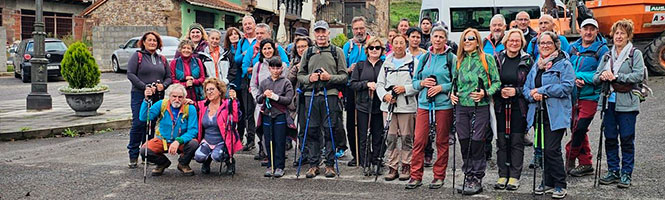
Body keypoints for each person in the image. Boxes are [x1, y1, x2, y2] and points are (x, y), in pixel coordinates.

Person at [450, 28, 501, 195]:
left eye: (471, 38)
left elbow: (496, 83)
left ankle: (477, 177)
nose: (467, 41)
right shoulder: (459, 60)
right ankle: (468, 174)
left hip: (480, 106)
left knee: (478, 141)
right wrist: (452, 94)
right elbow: (454, 82)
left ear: (477, 40)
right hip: (461, 106)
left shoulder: (487, 59)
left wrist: (485, 92)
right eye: (464, 39)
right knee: (464, 140)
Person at [524, 31, 574, 199]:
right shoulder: (536, 65)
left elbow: (567, 87)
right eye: (541, 43)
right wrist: (532, 95)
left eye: (548, 43)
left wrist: (543, 91)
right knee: (544, 149)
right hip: (539, 113)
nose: (544, 46)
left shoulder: (564, 63)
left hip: (556, 113)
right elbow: (526, 87)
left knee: (552, 149)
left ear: (555, 45)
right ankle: (548, 182)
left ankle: (560, 183)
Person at [594, 19, 644, 189]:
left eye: (623, 33)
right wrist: (602, 76)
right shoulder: (607, 55)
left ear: (628, 35)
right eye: (616, 33)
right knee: (610, 138)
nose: (619, 36)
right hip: (609, 102)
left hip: (628, 103)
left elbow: (638, 76)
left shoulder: (634, 54)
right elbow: (595, 76)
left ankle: (626, 173)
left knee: (627, 138)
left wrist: (616, 77)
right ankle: (613, 170)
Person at [406, 25, 457, 190]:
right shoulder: (424, 57)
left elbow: (456, 82)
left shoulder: (451, 58)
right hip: (424, 104)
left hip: (443, 105)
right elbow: (414, 81)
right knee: (419, 140)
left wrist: (441, 88)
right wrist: (422, 83)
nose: (438, 40)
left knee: (442, 141)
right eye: (436, 36)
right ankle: (415, 176)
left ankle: (439, 176)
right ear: (431, 38)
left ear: (445, 39)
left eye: (441, 37)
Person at [296, 20, 348, 178]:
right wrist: (309, 78)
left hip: (330, 95)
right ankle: (313, 165)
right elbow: (300, 75)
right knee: (311, 130)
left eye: (323, 32)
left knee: (329, 129)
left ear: (328, 33)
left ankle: (330, 165)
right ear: (314, 34)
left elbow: (344, 76)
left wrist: (329, 77)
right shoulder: (309, 52)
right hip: (310, 95)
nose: (320, 35)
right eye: (317, 32)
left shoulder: (336, 51)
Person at [565, 18, 609, 177]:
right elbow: (566, 67)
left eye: (592, 29)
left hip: (591, 95)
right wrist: (573, 79)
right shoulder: (572, 48)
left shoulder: (602, 50)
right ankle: (586, 163)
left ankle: (569, 156)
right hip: (573, 95)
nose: (588, 32)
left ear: (597, 31)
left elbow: (601, 72)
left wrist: (581, 77)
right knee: (575, 127)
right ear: (581, 30)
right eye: (586, 29)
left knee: (580, 127)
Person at [492, 29, 534, 190]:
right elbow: (492, 80)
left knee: (516, 141)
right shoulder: (498, 58)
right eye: (511, 40)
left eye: (518, 41)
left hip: (519, 106)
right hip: (500, 105)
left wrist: (516, 91)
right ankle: (502, 175)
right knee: (502, 141)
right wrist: (499, 90)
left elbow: (531, 84)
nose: (514, 43)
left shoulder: (527, 60)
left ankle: (514, 176)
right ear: (506, 42)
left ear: (522, 43)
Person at [375, 34, 419, 181]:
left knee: (407, 137)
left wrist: (405, 89)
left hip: (406, 106)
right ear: (391, 45)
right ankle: (393, 167)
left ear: (405, 45)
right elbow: (379, 84)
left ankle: (406, 165)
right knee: (391, 138)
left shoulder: (414, 62)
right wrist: (385, 96)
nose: (399, 45)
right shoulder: (386, 63)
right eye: (396, 43)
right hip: (388, 107)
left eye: (401, 43)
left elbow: (418, 84)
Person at [126, 31, 172, 168]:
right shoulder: (137, 56)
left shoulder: (162, 59)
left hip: (157, 96)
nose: (152, 43)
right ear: (144, 42)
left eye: (155, 41)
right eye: (149, 40)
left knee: (151, 125)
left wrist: (162, 86)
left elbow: (169, 77)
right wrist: (144, 87)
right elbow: (131, 74)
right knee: (139, 124)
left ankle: (148, 154)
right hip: (140, 95)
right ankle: (133, 154)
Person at [139, 84, 199, 176]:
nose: (177, 99)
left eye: (180, 97)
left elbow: (193, 130)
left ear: (184, 98)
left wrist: (178, 141)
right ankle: (162, 163)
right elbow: (144, 117)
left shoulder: (190, 108)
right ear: (169, 96)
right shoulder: (161, 104)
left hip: (181, 141)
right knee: (144, 150)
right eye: (174, 96)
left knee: (193, 144)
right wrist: (146, 100)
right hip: (162, 140)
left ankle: (183, 164)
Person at [249, 38, 289, 166]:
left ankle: (279, 161)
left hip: (279, 108)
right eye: (264, 48)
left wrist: (276, 97)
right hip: (262, 106)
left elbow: (286, 87)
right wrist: (259, 98)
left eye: (269, 48)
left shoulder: (283, 66)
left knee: (278, 135)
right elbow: (254, 85)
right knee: (265, 133)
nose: (267, 51)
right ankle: (268, 157)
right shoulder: (258, 66)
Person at [349, 36, 385, 173]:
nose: (374, 50)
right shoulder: (360, 66)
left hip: (380, 105)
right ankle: (365, 162)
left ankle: (377, 160)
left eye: (377, 48)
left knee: (378, 134)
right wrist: (366, 84)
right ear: (367, 50)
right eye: (371, 48)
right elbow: (352, 84)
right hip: (363, 105)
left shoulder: (384, 65)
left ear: (381, 50)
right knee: (363, 135)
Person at [193, 78, 241, 175]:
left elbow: (235, 118)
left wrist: (234, 101)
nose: (209, 92)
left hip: (222, 141)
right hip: (207, 140)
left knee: (217, 156)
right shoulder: (202, 105)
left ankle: (229, 161)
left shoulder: (227, 104)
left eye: (212, 89)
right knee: (198, 157)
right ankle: (206, 161)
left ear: (219, 91)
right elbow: (193, 105)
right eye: (207, 90)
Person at [256, 57, 295, 178]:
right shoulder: (264, 83)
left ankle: (280, 166)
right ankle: (270, 165)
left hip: (280, 115)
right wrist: (264, 95)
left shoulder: (286, 82)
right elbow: (258, 99)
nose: (275, 70)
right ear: (269, 68)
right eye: (273, 68)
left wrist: (274, 96)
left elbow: (288, 100)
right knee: (268, 140)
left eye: (278, 68)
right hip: (267, 115)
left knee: (279, 141)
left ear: (282, 68)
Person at [343, 16, 371, 166]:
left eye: (361, 28)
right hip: (351, 89)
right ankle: (356, 155)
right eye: (356, 29)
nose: (359, 31)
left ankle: (371, 154)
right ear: (352, 30)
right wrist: (349, 69)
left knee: (369, 123)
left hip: (369, 89)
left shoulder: (373, 43)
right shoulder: (348, 46)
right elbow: (341, 68)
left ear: (365, 27)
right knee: (351, 123)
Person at [234, 16, 259, 152]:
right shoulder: (242, 41)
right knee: (247, 111)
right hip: (246, 78)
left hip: (259, 78)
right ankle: (250, 139)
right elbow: (236, 59)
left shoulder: (259, 39)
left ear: (254, 25)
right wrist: (245, 54)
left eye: (250, 23)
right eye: (245, 24)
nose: (248, 26)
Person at [287, 36, 312, 166]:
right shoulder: (294, 62)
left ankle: (315, 154)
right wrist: (295, 69)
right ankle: (304, 153)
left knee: (313, 127)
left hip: (312, 96)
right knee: (301, 127)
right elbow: (288, 80)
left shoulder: (313, 59)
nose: (301, 49)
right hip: (299, 98)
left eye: (304, 46)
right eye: (299, 47)